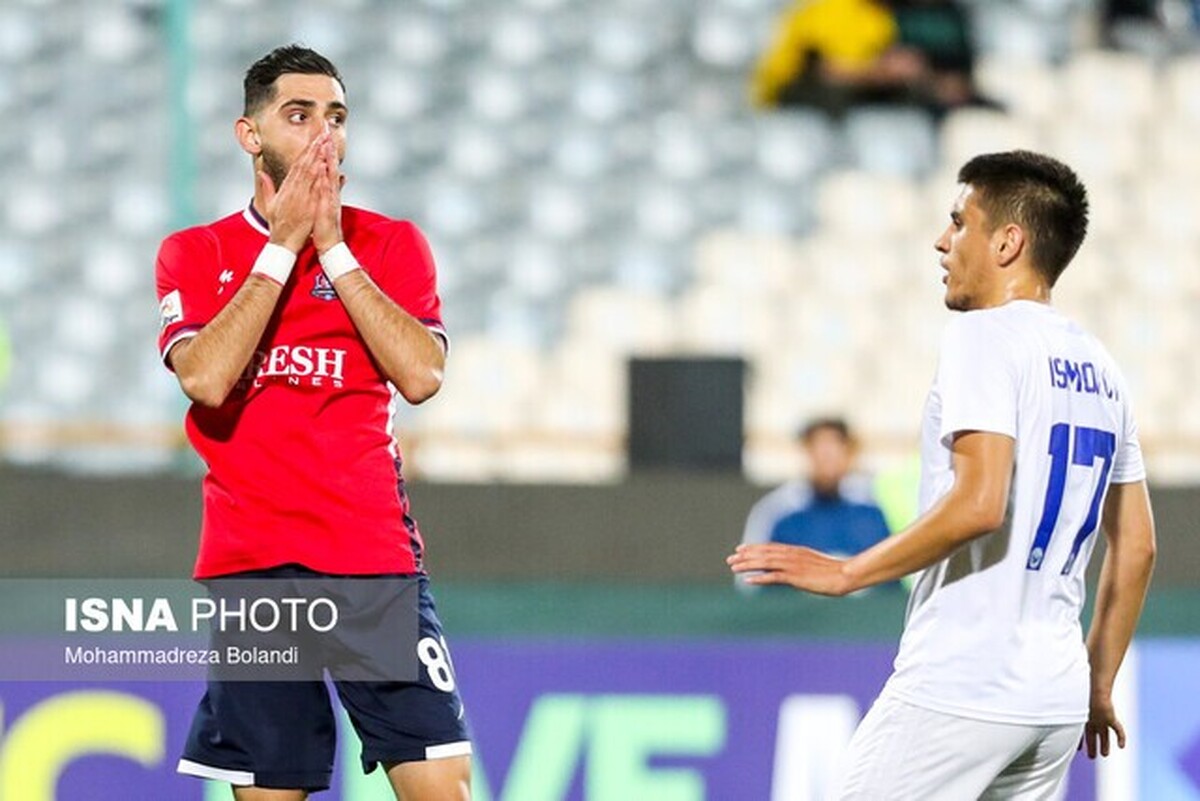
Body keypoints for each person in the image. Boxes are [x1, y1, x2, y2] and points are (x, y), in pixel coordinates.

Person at [729, 151, 1156, 799]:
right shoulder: (1103, 369)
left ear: (1008, 241)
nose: (942, 240)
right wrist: (1097, 684)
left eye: (960, 221)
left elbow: (981, 502)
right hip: (1054, 697)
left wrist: (849, 571)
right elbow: (1139, 546)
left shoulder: (985, 337)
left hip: (965, 682)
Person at [155, 45, 470, 800]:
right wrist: (282, 246)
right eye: (299, 116)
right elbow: (204, 377)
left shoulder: (391, 244)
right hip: (255, 568)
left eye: (336, 117)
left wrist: (330, 248)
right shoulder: (194, 252)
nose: (323, 134)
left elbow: (423, 374)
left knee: (441, 785)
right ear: (250, 134)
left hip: (371, 562)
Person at [750, 0, 988, 117]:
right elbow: (829, 71)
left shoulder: (881, 17)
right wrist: (884, 71)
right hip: (790, 98)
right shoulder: (830, 9)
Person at [738, 418, 892, 592]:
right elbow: (750, 581)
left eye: (835, 449)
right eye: (819, 449)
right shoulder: (778, 512)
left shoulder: (872, 512)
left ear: (849, 454)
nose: (827, 458)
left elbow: (892, 578)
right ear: (807, 452)